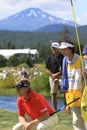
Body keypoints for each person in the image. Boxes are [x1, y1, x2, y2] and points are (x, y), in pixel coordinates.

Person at [59, 39, 86, 130]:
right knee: (76, 120)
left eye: (64, 49)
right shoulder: (64, 60)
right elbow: (65, 79)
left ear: (71, 49)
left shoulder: (81, 60)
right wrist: (65, 98)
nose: (62, 51)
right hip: (71, 94)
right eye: (62, 49)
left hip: (83, 95)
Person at [46, 42, 64, 111]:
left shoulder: (63, 57)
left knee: (65, 93)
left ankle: (66, 109)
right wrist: (52, 75)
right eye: (52, 48)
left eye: (55, 48)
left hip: (61, 76)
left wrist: (56, 75)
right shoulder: (49, 57)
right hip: (52, 77)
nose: (53, 49)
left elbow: (65, 69)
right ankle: (55, 109)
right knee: (53, 94)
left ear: (58, 49)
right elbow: (47, 69)